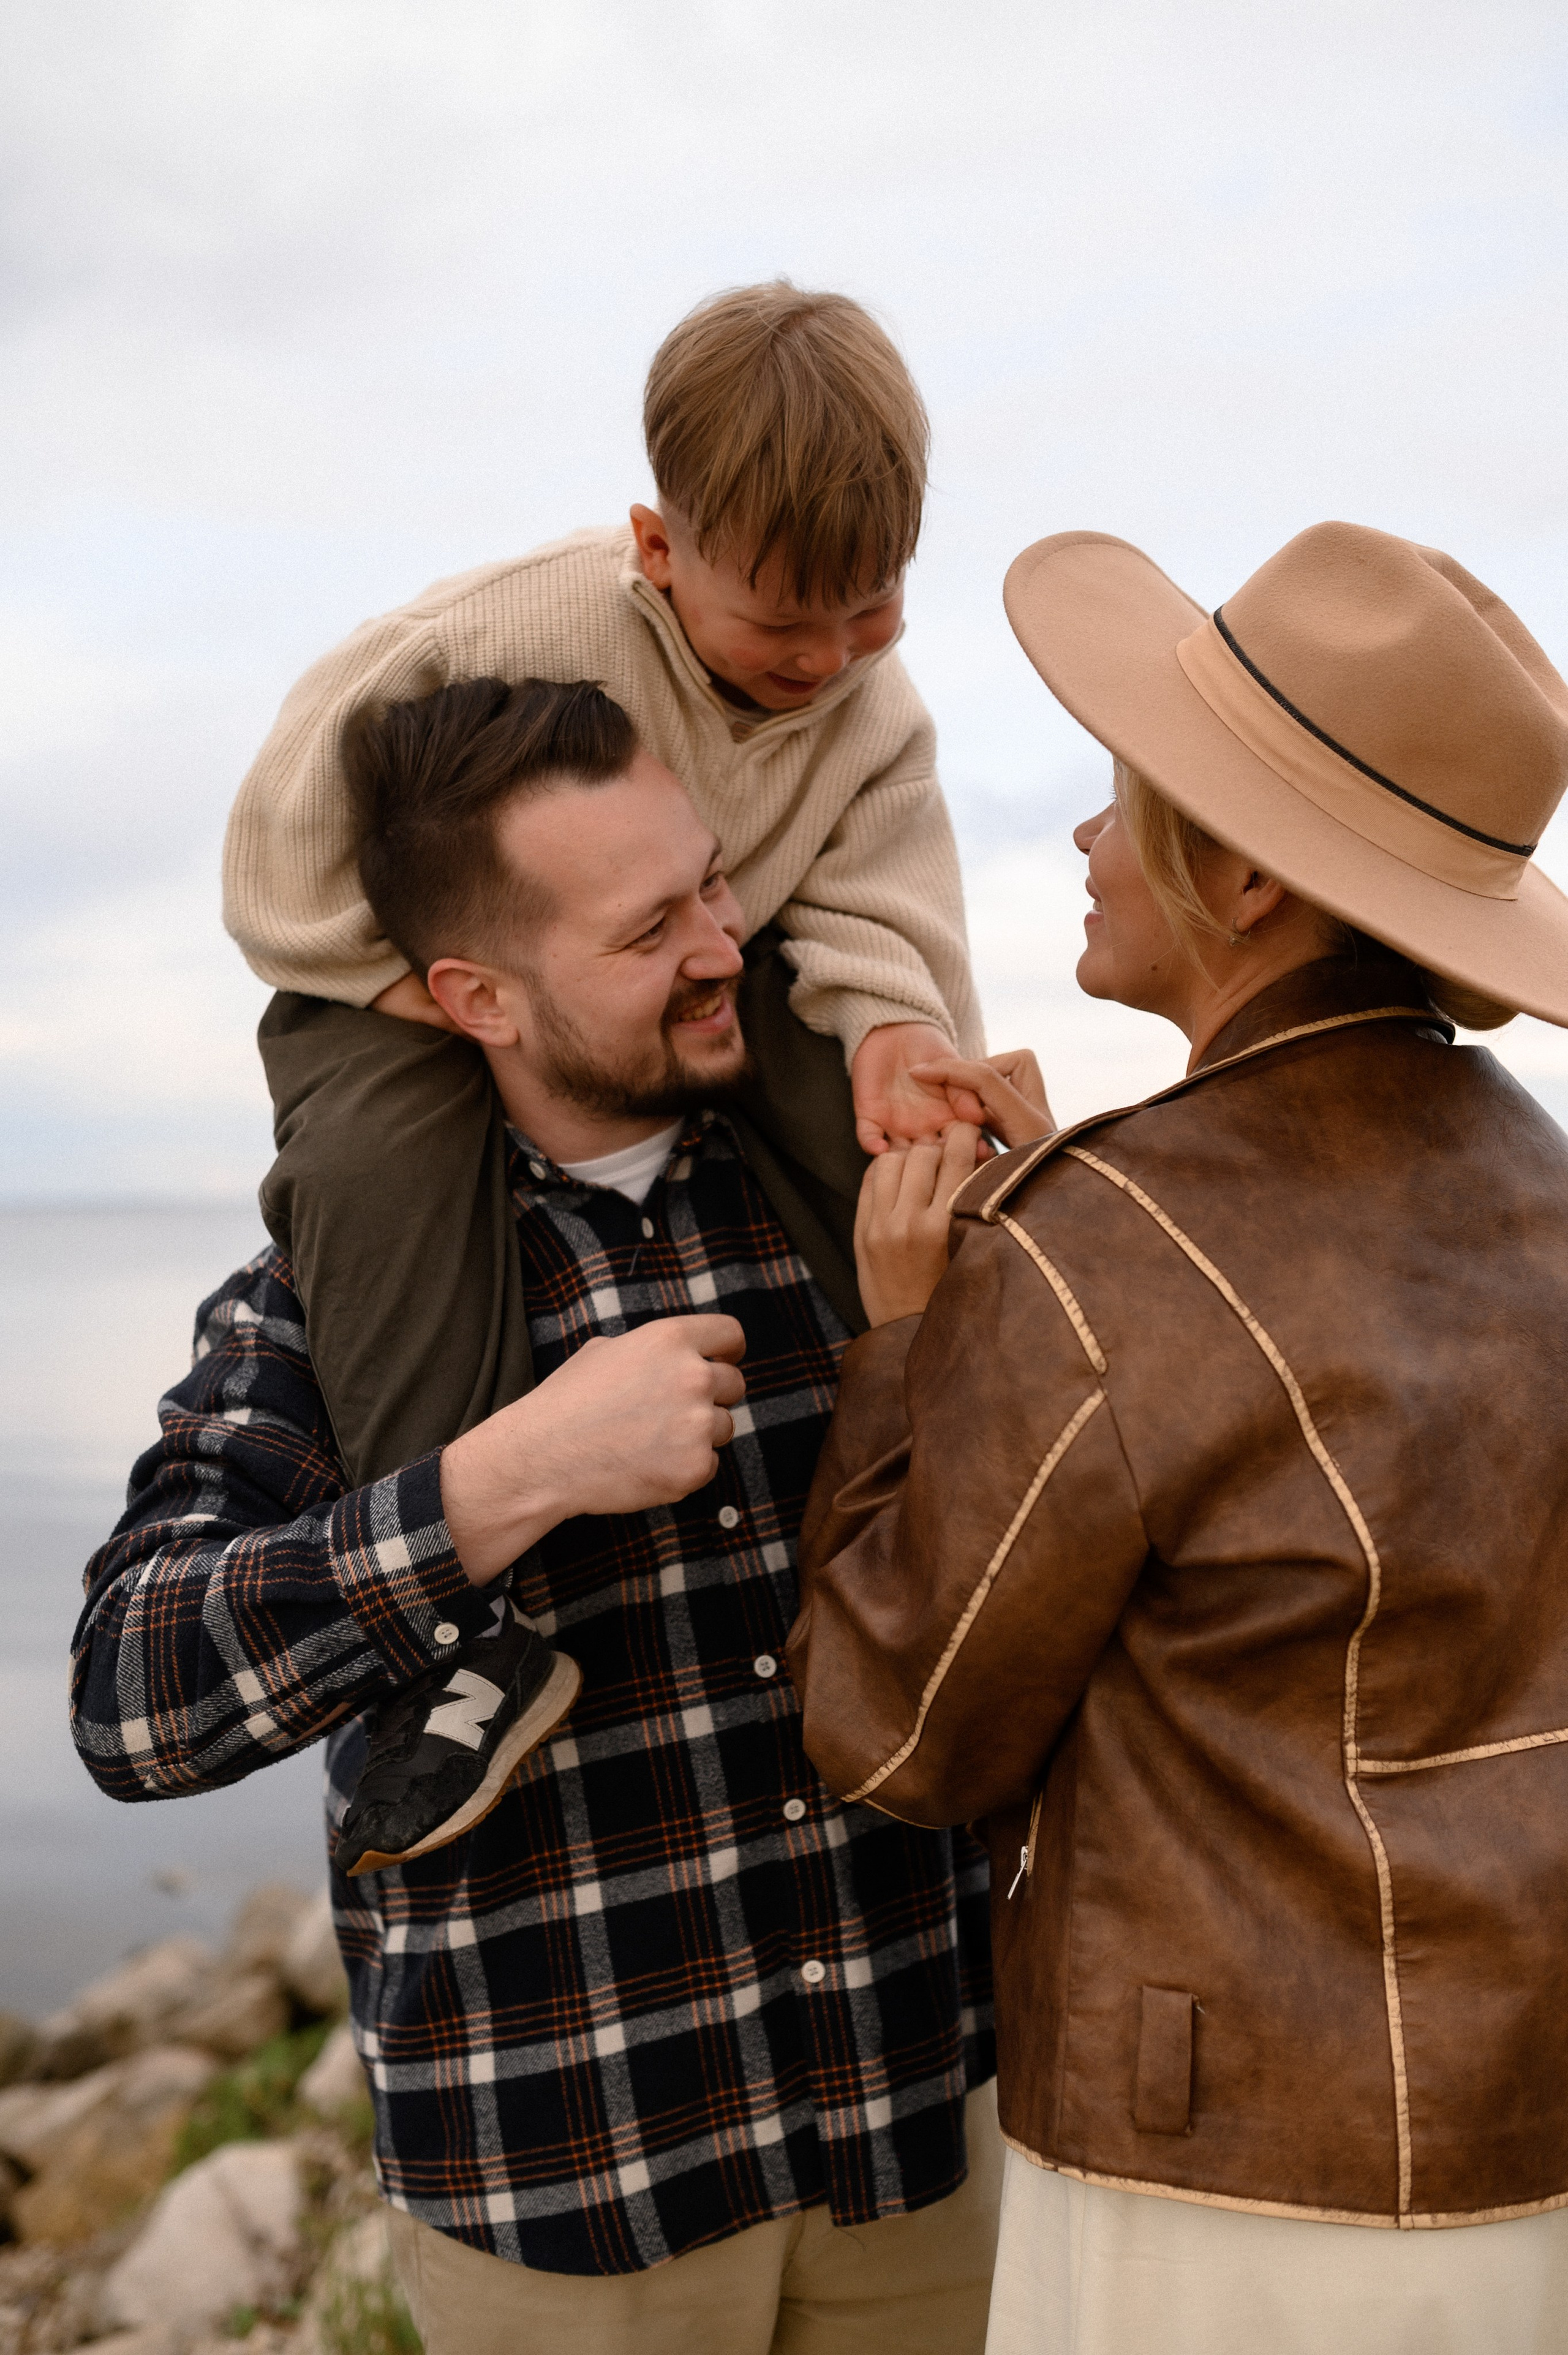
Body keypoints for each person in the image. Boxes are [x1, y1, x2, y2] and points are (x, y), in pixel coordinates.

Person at [73, 677, 1001, 2355]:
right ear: (475, 995)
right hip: (573, 2205)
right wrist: (505, 1479)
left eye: (715, 882)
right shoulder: (337, 1310)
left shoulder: (867, 1211)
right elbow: (131, 1705)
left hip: (926, 2138)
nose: (725, 943)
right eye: (651, 927)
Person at [786, 520, 1568, 2354]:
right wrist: (1073, 1214)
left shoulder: (1108, 1248)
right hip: (1524, 2129)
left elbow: (902, 1729)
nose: (1080, 836)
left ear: (1236, 870)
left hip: (1222, 2181)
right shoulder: (1543, 1188)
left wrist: (914, 1343)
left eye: (1123, 795)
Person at [222, 279, 985, 1505]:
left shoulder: (867, 706)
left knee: (885, 1124)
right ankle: (462, 1585)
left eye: (874, 607)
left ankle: (952, 1434)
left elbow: (883, 872)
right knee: (375, 1163)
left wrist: (897, 1019)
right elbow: (287, 811)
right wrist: (379, 971)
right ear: (657, 548)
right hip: (387, 974)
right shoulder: (515, 623)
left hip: (719, 943)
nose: (828, 659)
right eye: (782, 621)